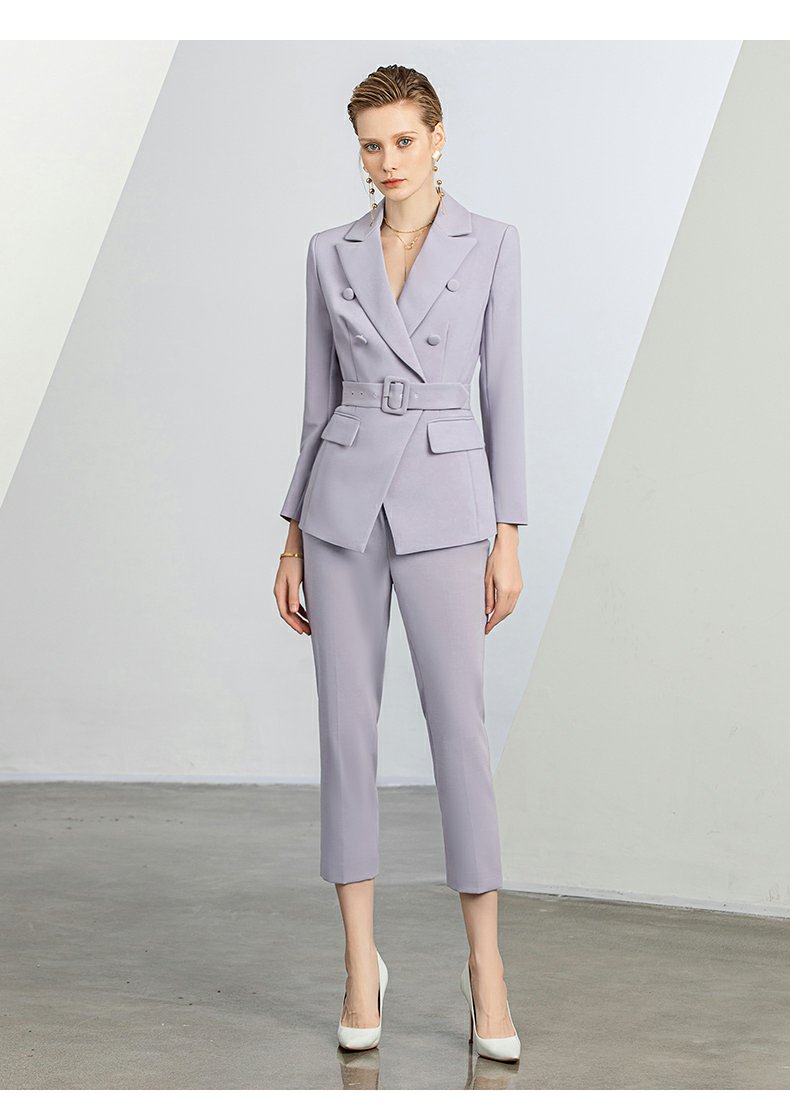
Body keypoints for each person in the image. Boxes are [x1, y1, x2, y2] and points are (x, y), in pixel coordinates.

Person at [273, 63, 527, 1062]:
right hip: (340, 506)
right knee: (346, 733)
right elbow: (314, 400)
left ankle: (486, 969)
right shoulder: (327, 252)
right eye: (370, 146)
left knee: (459, 731)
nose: (387, 162)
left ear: (438, 136)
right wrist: (291, 536)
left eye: (403, 141)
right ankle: (357, 962)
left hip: (448, 502)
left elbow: (504, 395)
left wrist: (508, 533)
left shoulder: (491, 244)